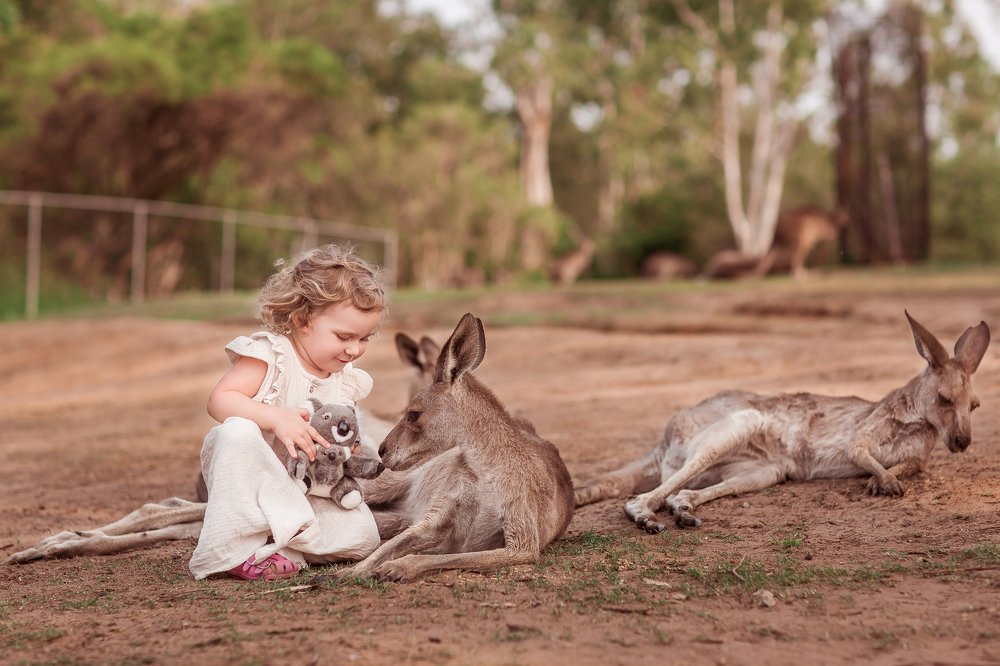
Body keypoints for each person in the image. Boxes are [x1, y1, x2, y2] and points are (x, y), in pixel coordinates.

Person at [189, 244, 386, 581]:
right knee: (236, 431)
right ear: (302, 319)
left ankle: (278, 543)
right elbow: (219, 401)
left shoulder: (344, 379)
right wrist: (276, 417)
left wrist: (346, 452)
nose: (354, 350)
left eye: (365, 338)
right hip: (253, 480)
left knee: (364, 537)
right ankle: (235, 549)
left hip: (303, 489)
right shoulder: (272, 355)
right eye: (344, 337)